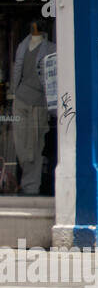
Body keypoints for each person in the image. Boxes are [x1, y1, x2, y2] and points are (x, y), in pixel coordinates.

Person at [9, 19, 55, 196]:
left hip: (38, 102)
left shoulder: (51, 48)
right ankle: (27, 182)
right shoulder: (22, 45)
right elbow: (18, 70)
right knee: (21, 145)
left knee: (34, 146)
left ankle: (31, 187)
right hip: (20, 100)